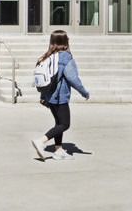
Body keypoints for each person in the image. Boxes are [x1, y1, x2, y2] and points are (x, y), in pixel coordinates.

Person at [30, 29, 90, 161]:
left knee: (58, 123)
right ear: (64, 41)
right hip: (59, 96)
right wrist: (84, 92)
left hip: (48, 96)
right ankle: (41, 141)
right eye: (67, 38)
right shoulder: (66, 57)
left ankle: (59, 151)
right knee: (65, 124)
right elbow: (73, 78)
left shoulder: (48, 56)